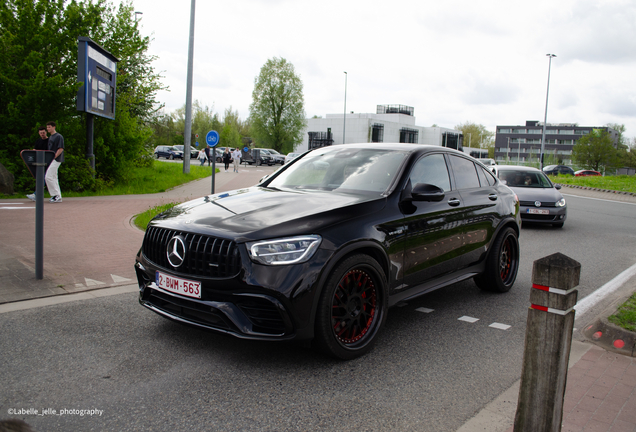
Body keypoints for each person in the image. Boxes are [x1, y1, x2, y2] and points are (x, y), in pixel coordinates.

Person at [26, 126, 49, 201]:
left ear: (46, 132)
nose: (42, 134)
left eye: (43, 132)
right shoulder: (38, 141)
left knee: (44, 178)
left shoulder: (49, 141)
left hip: (47, 161)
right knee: (41, 178)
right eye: (41, 133)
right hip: (39, 162)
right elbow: (35, 150)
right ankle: (37, 194)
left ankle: (36, 194)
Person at [45, 121, 64, 203]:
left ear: (54, 127)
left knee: (48, 176)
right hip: (51, 159)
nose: (48, 129)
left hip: (56, 159)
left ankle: (55, 195)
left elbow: (61, 148)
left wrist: (54, 156)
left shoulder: (58, 136)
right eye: (47, 127)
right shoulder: (50, 137)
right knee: (54, 177)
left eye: (49, 127)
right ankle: (58, 196)